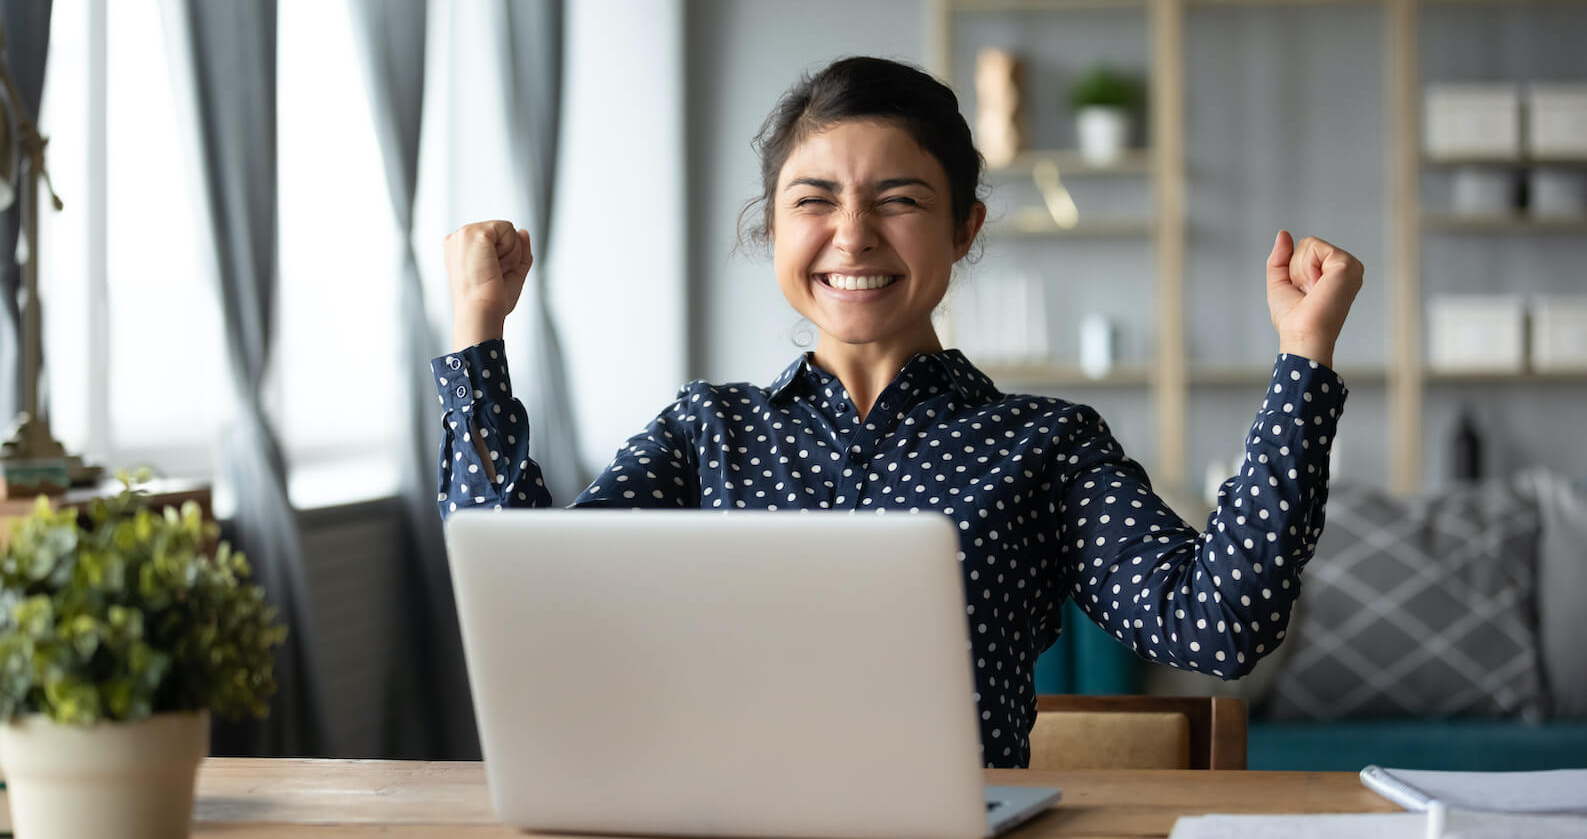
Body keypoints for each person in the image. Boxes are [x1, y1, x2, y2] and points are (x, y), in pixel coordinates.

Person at [432, 56, 1364, 768]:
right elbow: (532, 600)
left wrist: (1302, 360)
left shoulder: (1047, 445)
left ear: (964, 226)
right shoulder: (703, 432)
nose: (852, 234)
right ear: (774, 226)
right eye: (815, 200)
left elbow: (1220, 623)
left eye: (898, 199)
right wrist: (478, 333)